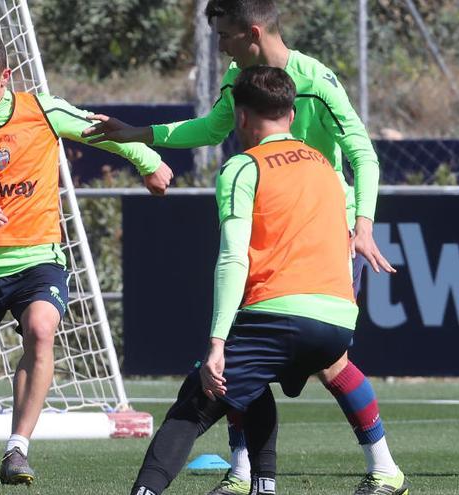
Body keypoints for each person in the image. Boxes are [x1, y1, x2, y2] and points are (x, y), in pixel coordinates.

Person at [85, 1, 406, 494]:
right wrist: (138, 133)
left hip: (322, 230)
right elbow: (211, 128)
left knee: (325, 361)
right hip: (268, 223)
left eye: (226, 36)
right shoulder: (239, 77)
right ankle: (244, 472)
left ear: (253, 32)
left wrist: (361, 225)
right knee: (239, 345)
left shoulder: (314, 80)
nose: (220, 48)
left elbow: (362, 152)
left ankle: (383, 466)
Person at [0, 29, 173, 495]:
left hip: (38, 259)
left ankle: (16, 447)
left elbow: (100, 128)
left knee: (42, 330)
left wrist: (147, 160)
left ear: (5, 76)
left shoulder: (41, 110)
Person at [131, 64, 362, 495]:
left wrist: (216, 344)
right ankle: (263, 485)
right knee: (250, 384)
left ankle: (144, 492)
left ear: (239, 116)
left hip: (282, 316)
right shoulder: (331, 173)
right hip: (339, 323)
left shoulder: (242, 167)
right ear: (292, 115)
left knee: (197, 399)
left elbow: (233, 258)